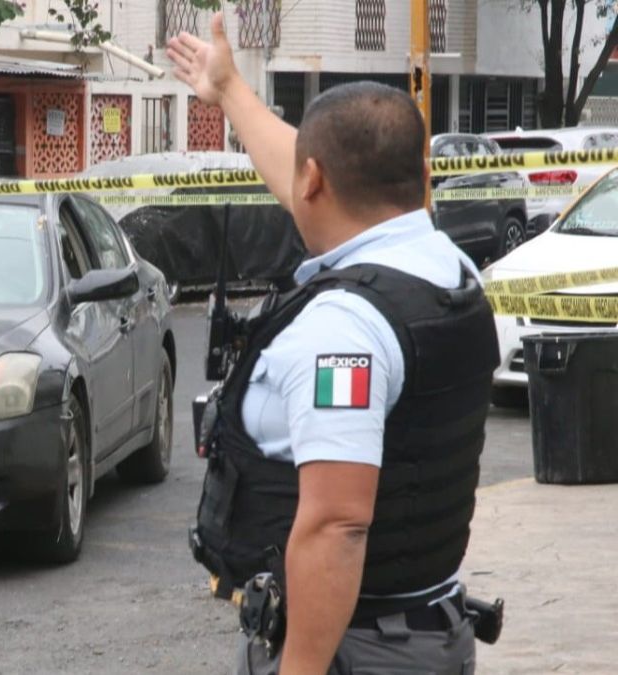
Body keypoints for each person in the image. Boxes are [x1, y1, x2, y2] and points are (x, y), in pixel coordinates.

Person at [169, 13, 500, 675]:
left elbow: (338, 524)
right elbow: (310, 170)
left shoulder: (343, 329)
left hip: (356, 647)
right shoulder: (445, 267)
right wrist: (230, 88)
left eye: (305, 176)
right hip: (422, 628)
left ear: (315, 180)